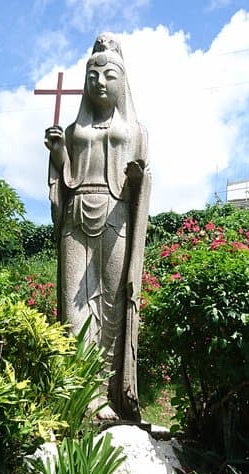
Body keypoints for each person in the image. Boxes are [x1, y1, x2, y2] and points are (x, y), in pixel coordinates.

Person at [44, 34, 150, 421]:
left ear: (122, 81)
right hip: (76, 216)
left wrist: (139, 179)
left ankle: (109, 393)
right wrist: (58, 153)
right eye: (93, 74)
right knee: (74, 308)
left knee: (111, 305)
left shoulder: (137, 132)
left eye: (109, 74)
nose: (100, 82)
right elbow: (63, 179)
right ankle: (81, 396)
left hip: (117, 217)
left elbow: (143, 181)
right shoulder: (74, 132)